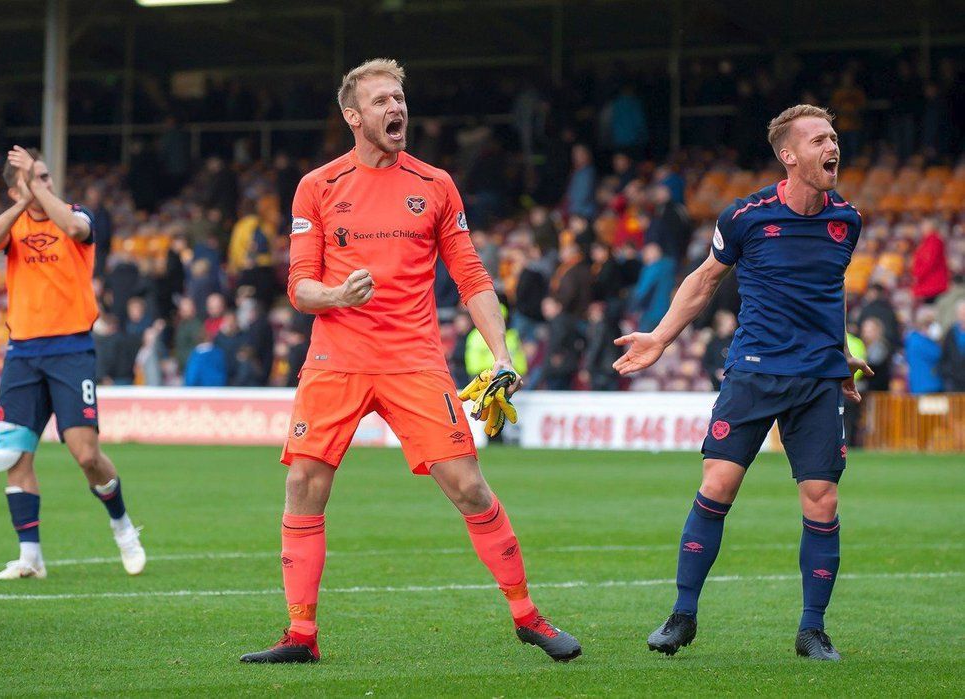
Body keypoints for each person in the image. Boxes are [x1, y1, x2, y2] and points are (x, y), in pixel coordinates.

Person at [240, 59, 579, 665]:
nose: (395, 109)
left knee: (469, 485)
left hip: (414, 360)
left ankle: (529, 617)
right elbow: (298, 287)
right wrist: (339, 295)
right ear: (353, 117)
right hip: (335, 358)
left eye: (399, 99)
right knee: (302, 483)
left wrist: (501, 354)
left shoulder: (436, 184)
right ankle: (300, 636)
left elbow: (472, 276)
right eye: (381, 102)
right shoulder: (317, 186)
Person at [614, 105, 872, 661]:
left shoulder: (846, 219)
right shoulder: (746, 216)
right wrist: (660, 338)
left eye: (834, 138)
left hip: (815, 380)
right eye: (820, 140)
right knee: (718, 485)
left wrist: (842, 355)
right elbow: (704, 279)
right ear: (790, 155)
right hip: (753, 371)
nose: (833, 148)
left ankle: (812, 630)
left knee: (821, 499)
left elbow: (832, 292)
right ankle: (682, 615)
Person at [0, 146, 145, 580]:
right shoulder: (13, 226)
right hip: (23, 352)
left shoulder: (76, 215)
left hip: (70, 349)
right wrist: (22, 201)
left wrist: (36, 189)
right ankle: (30, 556)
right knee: (15, 453)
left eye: (47, 176)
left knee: (86, 454)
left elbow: (71, 225)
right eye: (36, 178)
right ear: (16, 191)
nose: (45, 183)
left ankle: (122, 526)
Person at [904, 307, 943, 394]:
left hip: (916, 385)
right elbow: (938, 355)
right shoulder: (921, 341)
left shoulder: (911, 337)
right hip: (929, 385)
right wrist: (938, 341)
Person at [939, 300, 965, 391]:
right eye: (961, 314)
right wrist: (948, 372)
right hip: (955, 380)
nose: (963, 317)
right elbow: (945, 355)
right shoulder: (952, 332)